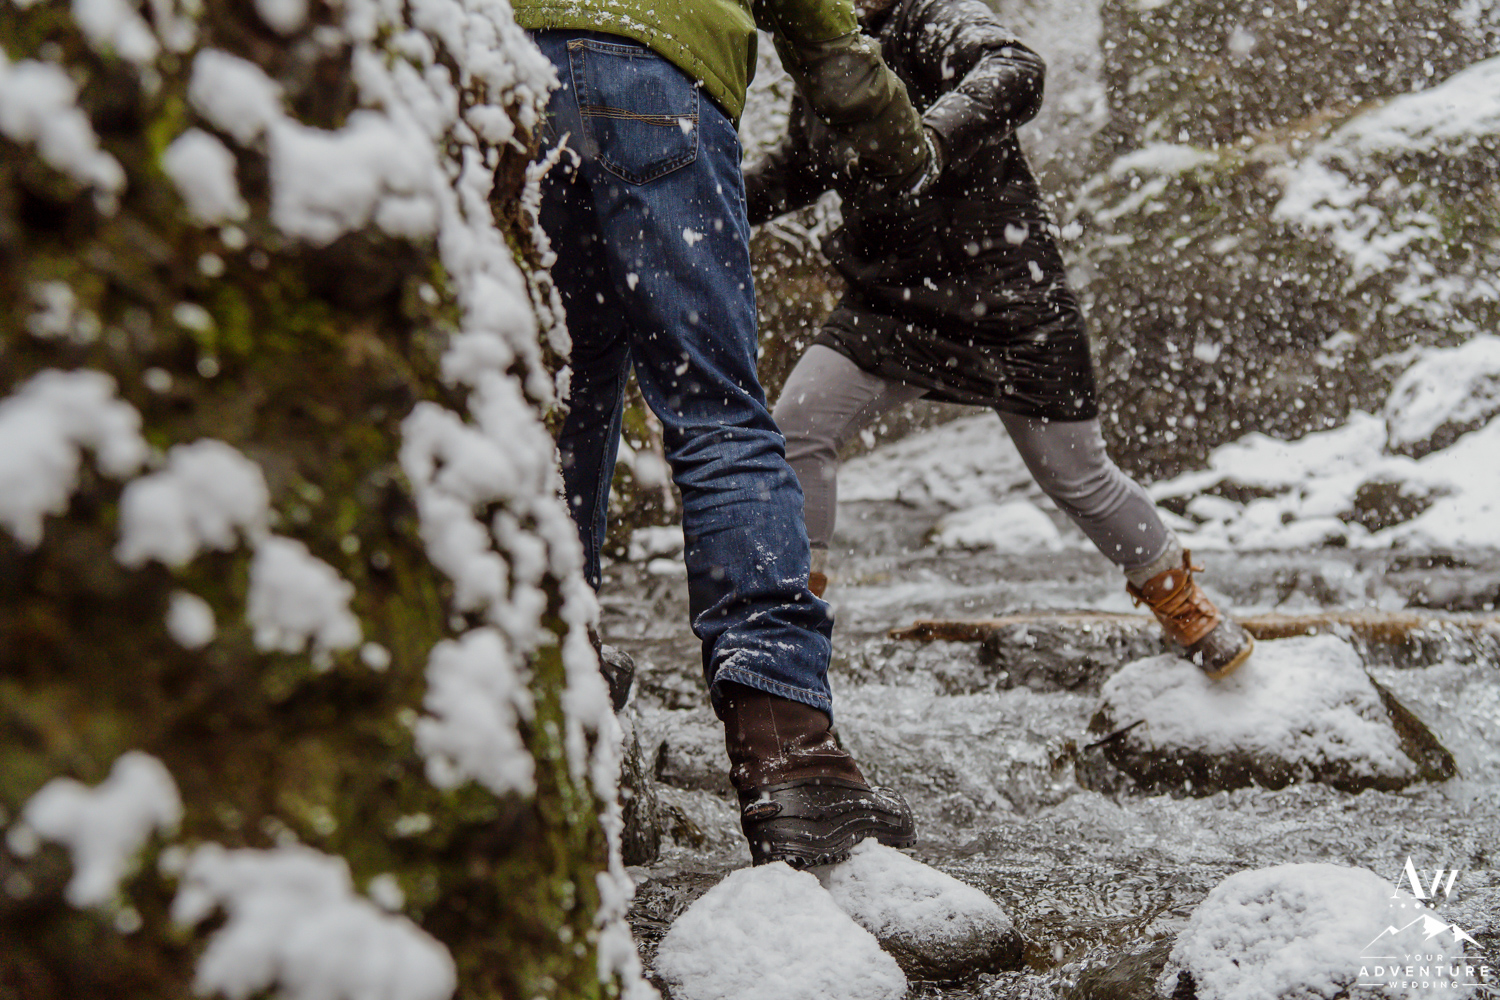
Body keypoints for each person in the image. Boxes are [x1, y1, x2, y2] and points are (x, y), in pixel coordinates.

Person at [514, 0, 941, 865]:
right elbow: (826, 37)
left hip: (510, 81)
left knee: (561, 400)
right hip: (657, 80)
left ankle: (553, 675)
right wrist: (904, 146)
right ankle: (789, 753)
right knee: (716, 411)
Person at [748, 0, 1255, 679]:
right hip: (889, 301)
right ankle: (794, 622)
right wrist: (709, 197)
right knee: (796, 429)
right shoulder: (822, 48)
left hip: (1006, 293)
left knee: (1076, 477)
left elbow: (1016, 67)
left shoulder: (929, 16)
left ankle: (1181, 600)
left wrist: (927, 138)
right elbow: (799, 168)